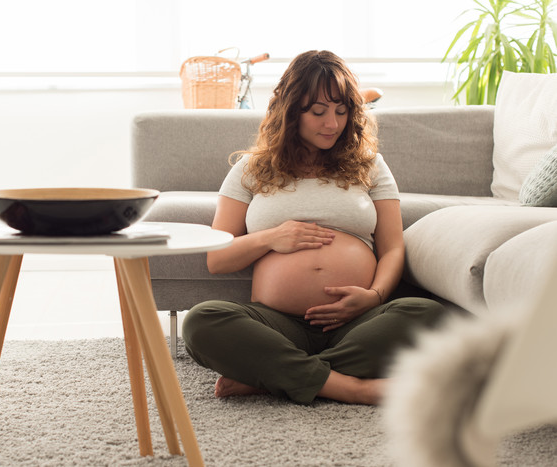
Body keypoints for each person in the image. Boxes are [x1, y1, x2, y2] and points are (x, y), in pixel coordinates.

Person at [181, 50, 446, 406]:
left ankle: (273, 377)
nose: (332, 124)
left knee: (429, 315)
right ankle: (355, 387)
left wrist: (375, 296)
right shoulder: (251, 168)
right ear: (291, 112)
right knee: (203, 321)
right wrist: (272, 238)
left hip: (358, 321)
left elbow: (393, 248)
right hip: (276, 323)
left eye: (341, 111)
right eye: (318, 112)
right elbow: (217, 259)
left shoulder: (370, 165)